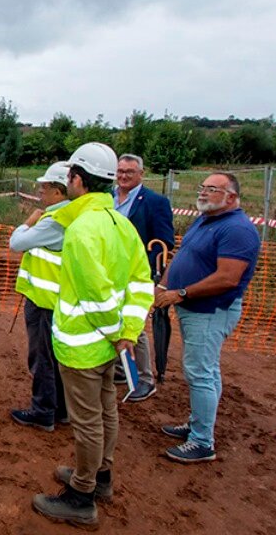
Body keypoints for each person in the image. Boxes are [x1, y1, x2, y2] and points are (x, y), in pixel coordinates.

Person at [32, 143, 153, 527]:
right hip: (109, 346)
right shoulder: (122, 223)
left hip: (83, 346)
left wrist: (116, 332)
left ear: (78, 180)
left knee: (87, 421)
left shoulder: (82, 229)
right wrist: (127, 333)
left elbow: (95, 294)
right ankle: (101, 477)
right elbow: (141, 282)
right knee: (106, 411)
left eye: (69, 175)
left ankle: (82, 496)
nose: (66, 181)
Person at [154, 172, 260, 464]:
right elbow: (183, 256)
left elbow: (227, 278)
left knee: (199, 371)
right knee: (206, 370)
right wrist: (164, 285)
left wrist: (181, 293)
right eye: (203, 188)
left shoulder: (237, 230)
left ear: (231, 197)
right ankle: (199, 422)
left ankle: (202, 441)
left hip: (210, 311)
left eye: (212, 189)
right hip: (194, 308)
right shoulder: (205, 221)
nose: (203, 193)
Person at [8, 161, 72, 432]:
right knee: (54, 358)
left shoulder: (54, 220)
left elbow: (16, 243)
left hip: (45, 301)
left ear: (58, 191)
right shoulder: (71, 216)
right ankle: (60, 409)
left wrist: (27, 222)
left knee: (43, 357)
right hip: (54, 299)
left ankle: (43, 411)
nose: (39, 192)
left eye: (44, 187)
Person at [112, 153, 175, 402]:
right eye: (120, 171)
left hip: (136, 273)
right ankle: (120, 369)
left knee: (133, 323)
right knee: (114, 318)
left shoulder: (155, 202)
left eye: (129, 171)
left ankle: (146, 378)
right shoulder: (109, 197)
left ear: (141, 173)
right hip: (110, 272)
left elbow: (163, 242)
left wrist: (151, 273)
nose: (123, 176)